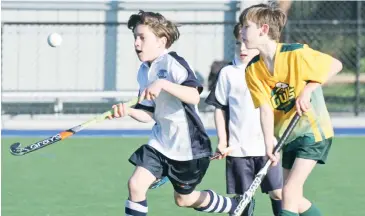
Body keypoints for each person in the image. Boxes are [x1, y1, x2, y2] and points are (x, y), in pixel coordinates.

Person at [108, 10, 243, 216]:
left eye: (142, 37)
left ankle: (235, 207)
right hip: (160, 143)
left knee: (184, 200)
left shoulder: (173, 62)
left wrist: (163, 83)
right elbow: (148, 114)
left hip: (189, 146)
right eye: (135, 37)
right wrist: (128, 111)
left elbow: (194, 96)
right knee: (135, 185)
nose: (136, 43)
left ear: (161, 41)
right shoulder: (144, 71)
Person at [239, 3, 343, 216]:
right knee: (292, 198)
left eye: (245, 26)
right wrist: (269, 143)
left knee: (289, 190)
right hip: (288, 135)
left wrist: (309, 89)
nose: (241, 32)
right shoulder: (253, 69)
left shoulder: (295, 53)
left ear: (264, 30)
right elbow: (265, 108)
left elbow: (335, 65)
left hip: (313, 132)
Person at [205, 22, 283, 216]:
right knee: (242, 198)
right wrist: (223, 141)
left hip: (268, 148)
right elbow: (220, 108)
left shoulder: (269, 70)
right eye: (238, 44)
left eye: (247, 44)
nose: (242, 49)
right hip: (238, 149)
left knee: (278, 193)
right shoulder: (228, 73)